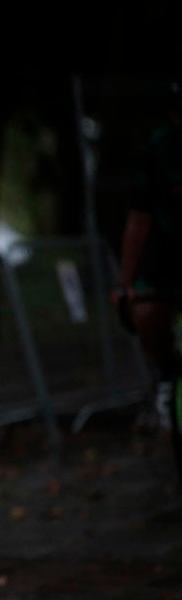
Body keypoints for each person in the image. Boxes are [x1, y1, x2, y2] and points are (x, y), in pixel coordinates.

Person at [115, 76, 182, 429]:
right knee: (146, 308)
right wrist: (125, 283)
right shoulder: (159, 147)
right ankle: (168, 372)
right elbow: (138, 218)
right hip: (168, 249)